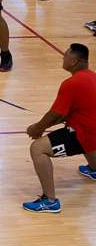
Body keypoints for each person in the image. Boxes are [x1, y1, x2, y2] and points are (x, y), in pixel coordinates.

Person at [22, 44, 96, 213]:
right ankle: (94, 168)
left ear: (74, 61)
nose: (63, 58)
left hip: (87, 135)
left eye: (65, 55)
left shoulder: (71, 83)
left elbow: (55, 115)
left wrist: (38, 128)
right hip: (92, 131)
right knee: (78, 125)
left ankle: (49, 201)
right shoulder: (92, 76)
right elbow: (65, 115)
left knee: (38, 148)